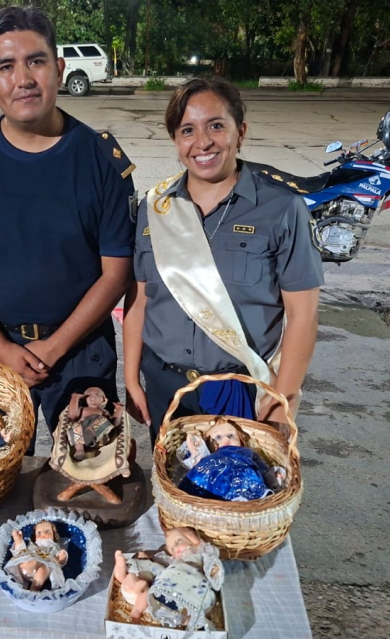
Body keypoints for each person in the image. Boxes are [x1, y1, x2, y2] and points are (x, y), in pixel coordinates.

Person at [0, 6, 136, 444]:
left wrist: (54, 348)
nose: (23, 79)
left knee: (87, 480)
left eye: (36, 61)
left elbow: (116, 272)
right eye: (6, 66)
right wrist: (1, 347)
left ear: (59, 69)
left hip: (80, 352)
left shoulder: (101, 161)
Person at [122, 77, 323, 441]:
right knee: (172, 491)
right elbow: (138, 302)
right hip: (166, 387)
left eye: (216, 125)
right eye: (187, 130)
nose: (202, 142)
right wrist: (131, 377)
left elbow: (303, 315)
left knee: (239, 494)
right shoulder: (156, 208)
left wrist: (282, 402)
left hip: (243, 389)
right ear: (175, 141)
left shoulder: (281, 208)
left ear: (240, 131)